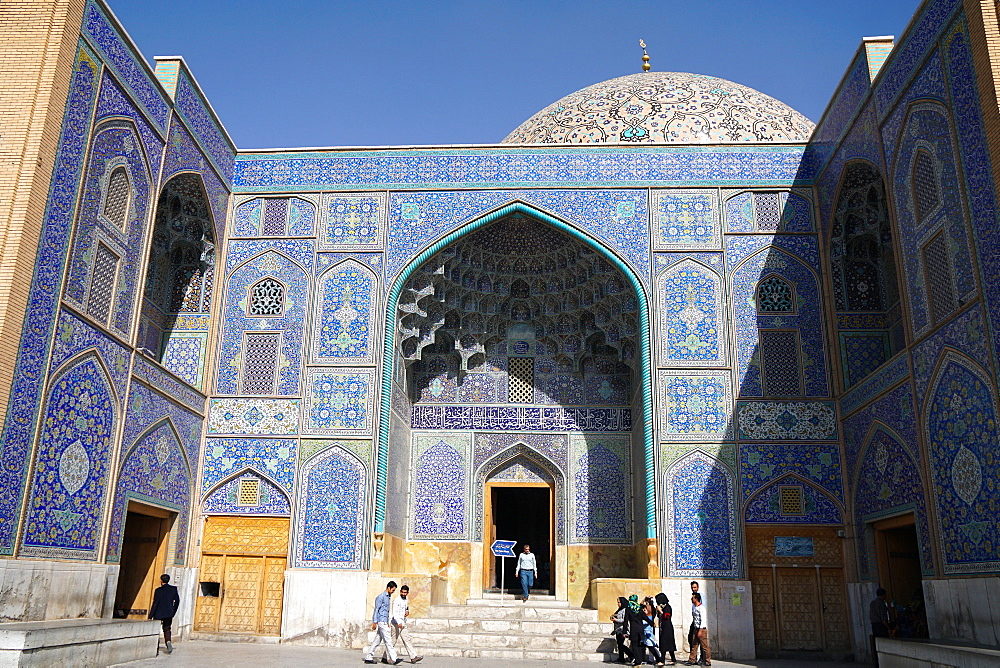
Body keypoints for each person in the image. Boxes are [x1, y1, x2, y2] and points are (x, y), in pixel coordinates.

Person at [363, 580, 400, 665]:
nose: (393, 592)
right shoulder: (381, 597)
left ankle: (368, 657)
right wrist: (374, 622)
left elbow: (386, 611)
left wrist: (387, 621)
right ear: (388, 588)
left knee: (377, 640)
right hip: (380, 621)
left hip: (384, 621)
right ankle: (394, 658)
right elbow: (376, 609)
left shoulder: (388, 597)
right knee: (388, 640)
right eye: (393, 590)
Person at [385, 584, 422, 664]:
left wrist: (407, 611)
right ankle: (387, 658)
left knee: (406, 639)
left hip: (402, 622)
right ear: (400, 591)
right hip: (396, 623)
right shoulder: (396, 600)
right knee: (393, 641)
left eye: (405, 592)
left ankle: (413, 657)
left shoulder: (405, 599)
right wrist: (399, 623)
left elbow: (406, 607)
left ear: (407, 593)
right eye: (402, 592)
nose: (403, 594)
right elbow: (395, 613)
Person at [148, 574, 180, 654]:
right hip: (169, 613)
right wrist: (173, 611)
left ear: (161, 580)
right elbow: (177, 601)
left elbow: (155, 603)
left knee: (156, 629)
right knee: (167, 628)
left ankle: (155, 644)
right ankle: (168, 641)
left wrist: (151, 615)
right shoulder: (173, 589)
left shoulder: (158, 590)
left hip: (158, 612)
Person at [684, 592, 710, 666]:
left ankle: (707, 660)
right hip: (696, 628)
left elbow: (703, 620)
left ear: (696, 599)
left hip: (701, 629)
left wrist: (700, 631)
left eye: (693, 598)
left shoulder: (701, 608)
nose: (691, 599)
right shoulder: (694, 607)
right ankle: (692, 659)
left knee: (704, 646)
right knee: (694, 644)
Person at [655, 592, 677, 665]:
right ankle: (673, 659)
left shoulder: (668, 607)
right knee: (663, 642)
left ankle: (662, 660)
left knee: (667, 642)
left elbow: (667, 617)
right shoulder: (663, 607)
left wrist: (660, 611)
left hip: (667, 627)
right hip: (663, 627)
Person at [641, 597, 665, 666]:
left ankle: (658, 659)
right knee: (645, 646)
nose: (644, 609)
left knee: (651, 647)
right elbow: (641, 605)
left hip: (649, 633)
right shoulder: (646, 616)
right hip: (645, 633)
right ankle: (646, 659)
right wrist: (644, 599)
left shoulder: (650, 616)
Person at [610, 596, 634, 664]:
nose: (618, 604)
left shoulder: (625, 610)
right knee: (619, 644)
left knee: (621, 644)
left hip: (622, 629)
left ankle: (631, 655)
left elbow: (624, 620)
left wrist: (616, 620)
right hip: (618, 629)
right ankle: (621, 658)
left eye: (619, 602)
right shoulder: (619, 610)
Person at [625, 594, 645, 665]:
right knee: (639, 645)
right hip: (640, 628)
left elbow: (626, 621)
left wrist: (624, 631)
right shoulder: (639, 608)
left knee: (634, 646)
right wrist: (651, 623)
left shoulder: (628, 609)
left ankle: (637, 661)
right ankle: (640, 659)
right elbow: (644, 617)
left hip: (634, 629)